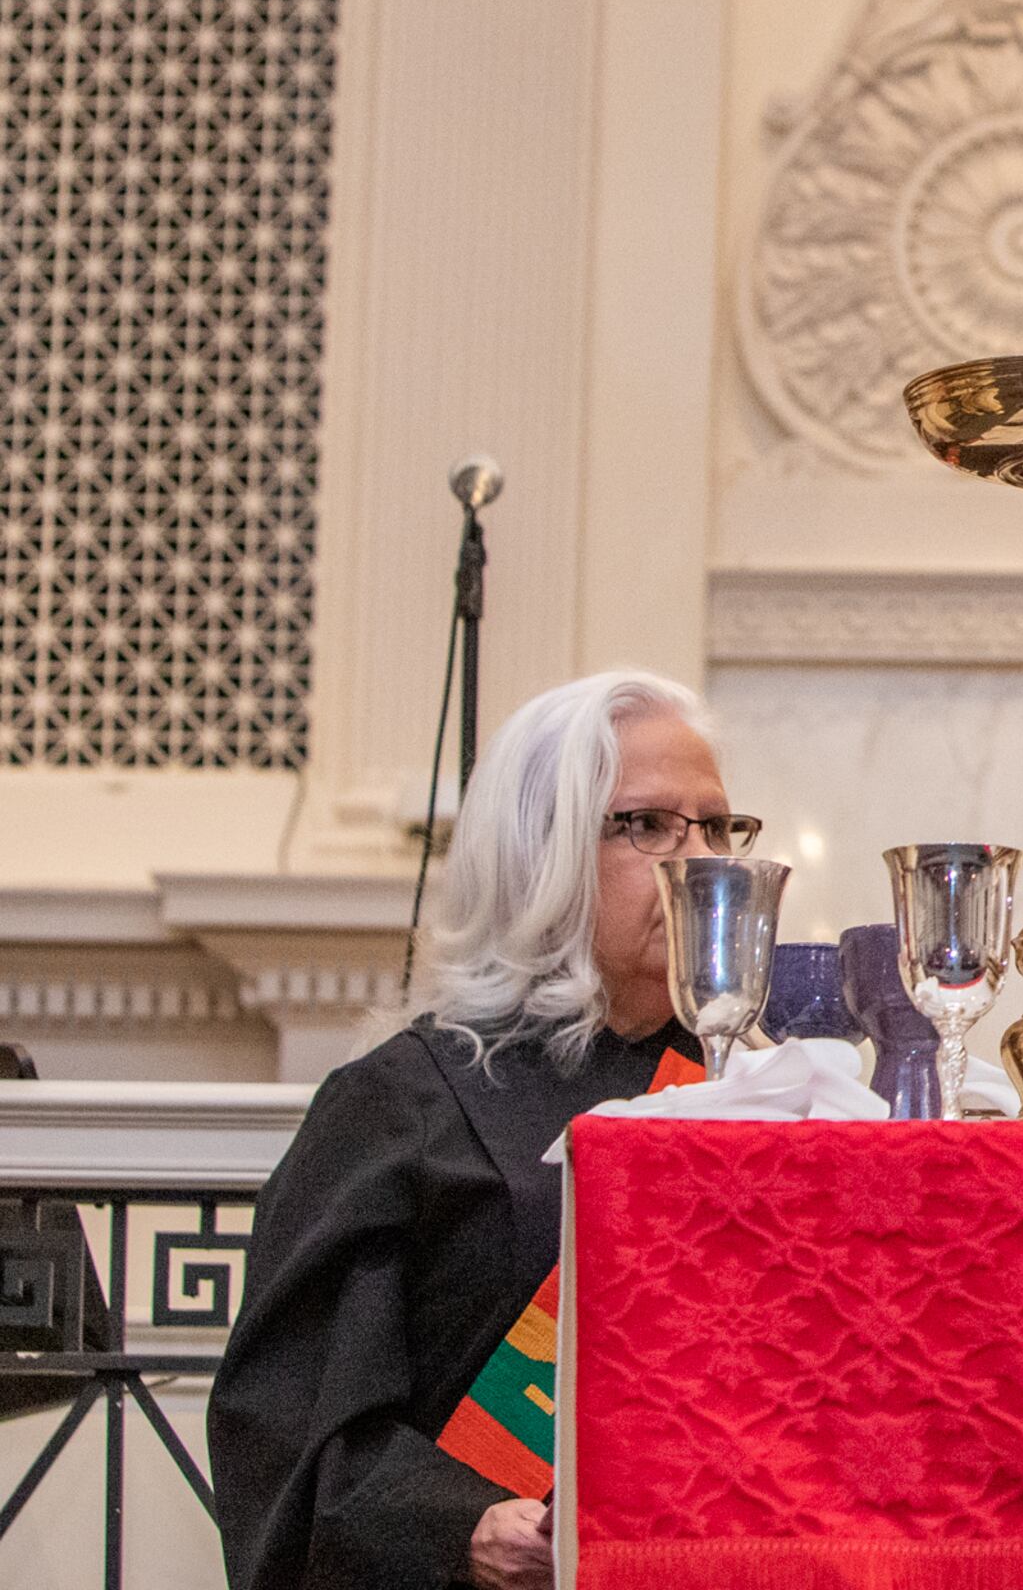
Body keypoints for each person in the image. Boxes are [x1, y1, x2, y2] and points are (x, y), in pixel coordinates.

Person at [211, 671, 752, 1590]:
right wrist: (462, 1526)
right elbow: (288, 1424)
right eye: (649, 824)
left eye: (720, 827)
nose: (701, 860)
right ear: (537, 850)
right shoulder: (406, 1102)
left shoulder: (744, 1091)